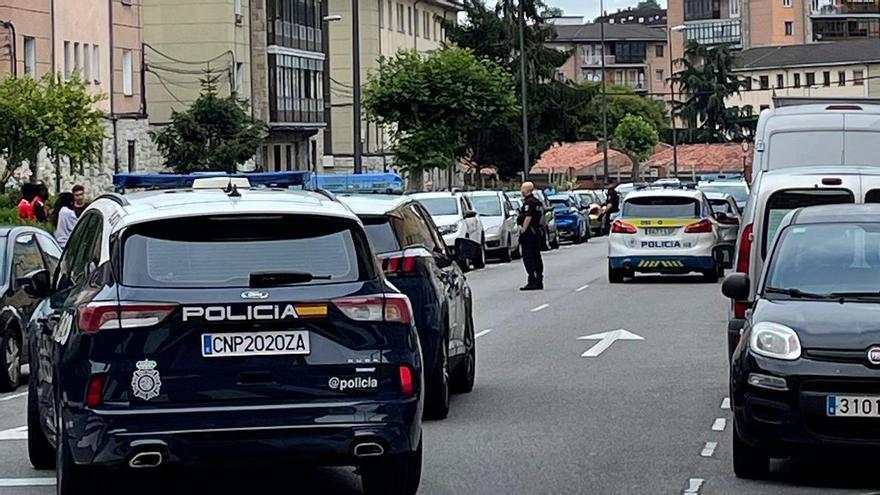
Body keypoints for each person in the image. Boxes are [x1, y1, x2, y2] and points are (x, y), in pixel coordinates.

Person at [517, 181, 545, 291]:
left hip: (530, 233)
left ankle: (532, 280)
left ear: (527, 190)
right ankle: (539, 279)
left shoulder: (529, 203)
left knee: (528, 257)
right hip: (537, 232)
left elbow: (528, 217)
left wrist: (523, 230)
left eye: (522, 189)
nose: (521, 191)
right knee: (536, 256)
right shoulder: (538, 202)